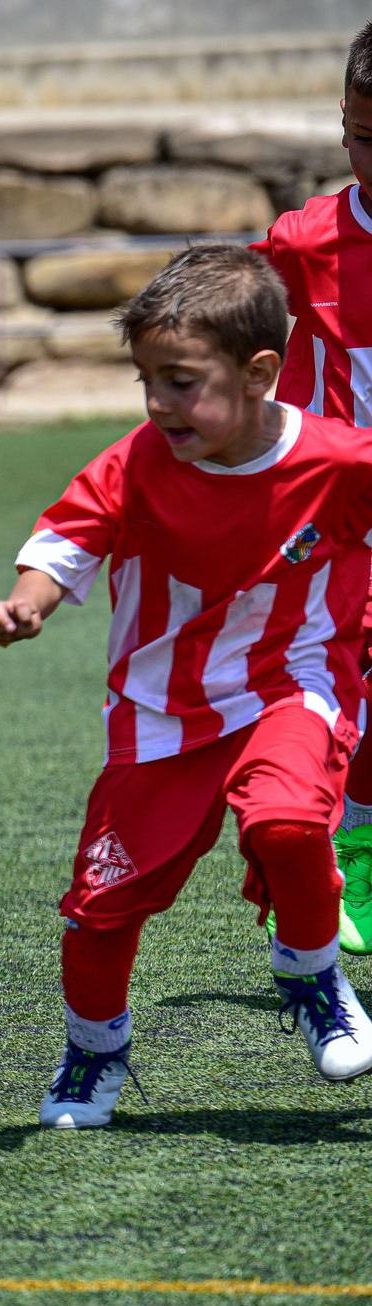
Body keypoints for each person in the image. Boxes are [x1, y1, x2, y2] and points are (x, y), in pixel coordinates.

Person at [0, 245, 372, 1130]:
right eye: (146, 379)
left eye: (182, 381)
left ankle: (310, 974)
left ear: (261, 373)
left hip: (290, 684)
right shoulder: (136, 463)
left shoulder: (341, 462)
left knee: (290, 822)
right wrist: (27, 606)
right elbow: (66, 539)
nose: (158, 404)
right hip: (161, 714)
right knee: (100, 910)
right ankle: (94, 1052)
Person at [251, 17, 372, 953]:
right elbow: (271, 367)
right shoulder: (303, 242)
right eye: (366, 139)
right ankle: (351, 851)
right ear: (342, 125)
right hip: (354, 517)